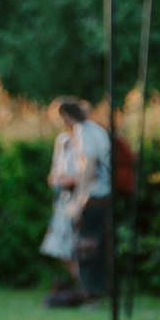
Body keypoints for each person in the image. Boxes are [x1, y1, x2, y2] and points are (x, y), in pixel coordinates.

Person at [43, 98, 110, 307]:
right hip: (97, 196)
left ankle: (92, 293)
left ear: (65, 115)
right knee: (85, 247)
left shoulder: (84, 131)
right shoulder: (94, 130)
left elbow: (88, 168)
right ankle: (88, 291)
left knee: (86, 248)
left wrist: (79, 201)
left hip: (92, 197)